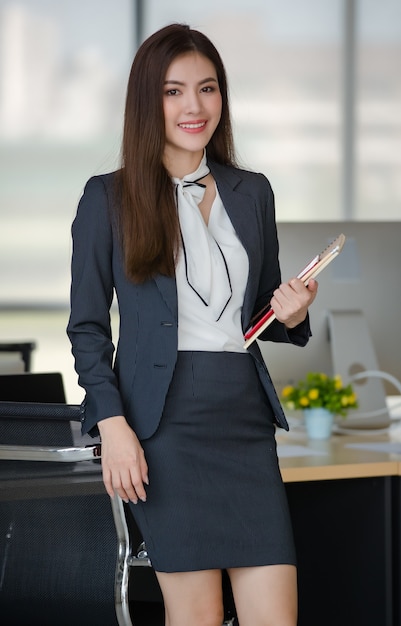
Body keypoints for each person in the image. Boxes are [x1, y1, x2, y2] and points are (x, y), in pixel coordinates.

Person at [67, 23, 318, 626]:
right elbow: (87, 328)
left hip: (243, 420)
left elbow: (258, 306)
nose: (194, 106)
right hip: (164, 426)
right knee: (197, 618)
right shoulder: (109, 197)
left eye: (207, 89)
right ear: (148, 101)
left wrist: (292, 314)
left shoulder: (251, 191)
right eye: (174, 91)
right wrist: (113, 424)